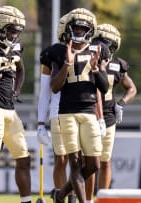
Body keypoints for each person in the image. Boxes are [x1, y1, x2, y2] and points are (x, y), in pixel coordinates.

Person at [49, 8, 110, 203]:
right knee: (74, 163)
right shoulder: (59, 51)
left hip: (89, 111)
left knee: (93, 164)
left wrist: (96, 69)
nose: (79, 32)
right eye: (76, 28)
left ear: (89, 31)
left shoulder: (97, 50)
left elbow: (105, 86)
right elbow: (54, 87)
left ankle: (61, 194)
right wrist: (67, 64)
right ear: (69, 29)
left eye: (83, 29)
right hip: (67, 112)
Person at [0, 5, 32, 203]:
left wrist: (16, 90)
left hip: (10, 109)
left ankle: (26, 200)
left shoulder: (16, 47)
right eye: (10, 31)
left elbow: (20, 70)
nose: (13, 35)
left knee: (24, 158)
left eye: (16, 32)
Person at [37, 13, 76, 203]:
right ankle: (61, 195)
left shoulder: (89, 50)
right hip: (58, 111)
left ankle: (75, 196)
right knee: (61, 159)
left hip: (81, 111)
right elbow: (45, 91)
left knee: (80, 160)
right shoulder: (53, 53)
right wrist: (40, 122)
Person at [92, 23, 137, 189]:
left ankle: (103, 197)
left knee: (105, 162)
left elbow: (132, 89)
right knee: (86, 162)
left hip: (109, 116)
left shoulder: (118, 65)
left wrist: (120, 104)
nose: (99, 46)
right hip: (88, 113)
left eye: (104, 43)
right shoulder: (87, 59)